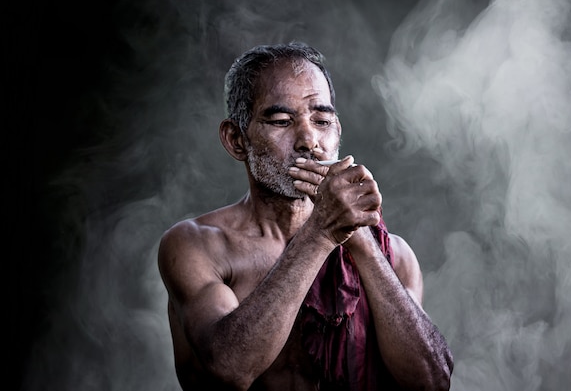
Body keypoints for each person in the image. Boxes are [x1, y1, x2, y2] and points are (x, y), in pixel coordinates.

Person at [158, 42, 453, 391]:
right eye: (282, 121)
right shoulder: (197, 246)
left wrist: (359, 239)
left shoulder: (394, 255)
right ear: (236, 140)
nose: (309, 140)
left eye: (322, 120)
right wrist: (321, 233)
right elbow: (230, 368)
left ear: (338, 132)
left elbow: (432, 382)